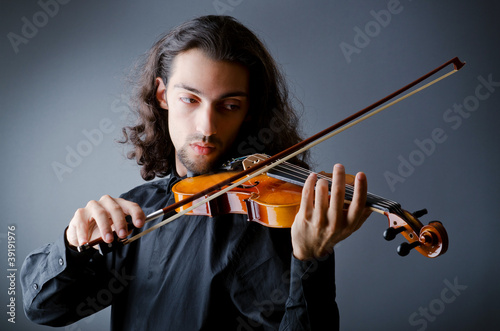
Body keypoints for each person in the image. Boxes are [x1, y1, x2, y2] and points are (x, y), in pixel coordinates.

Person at [21, 15, 371, 330]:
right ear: (162, 95)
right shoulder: (138, 212)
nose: (207, 126)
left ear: (249, 112)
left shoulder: (272, 224)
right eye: (191, 99)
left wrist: (310, 261)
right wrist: (73, 243)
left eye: (229, 105)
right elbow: (42, 308)